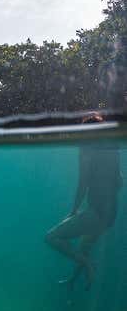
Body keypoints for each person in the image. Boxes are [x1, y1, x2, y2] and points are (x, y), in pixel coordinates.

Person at [45, 113, 122, 289]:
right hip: (110, 214)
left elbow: (83, 183)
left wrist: (74, 211)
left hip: (96, 213)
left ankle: (88, 265)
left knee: (51, 237)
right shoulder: (114, 148)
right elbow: (119, 182)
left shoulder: (87, 148)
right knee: (82, 249)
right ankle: (72, 281)